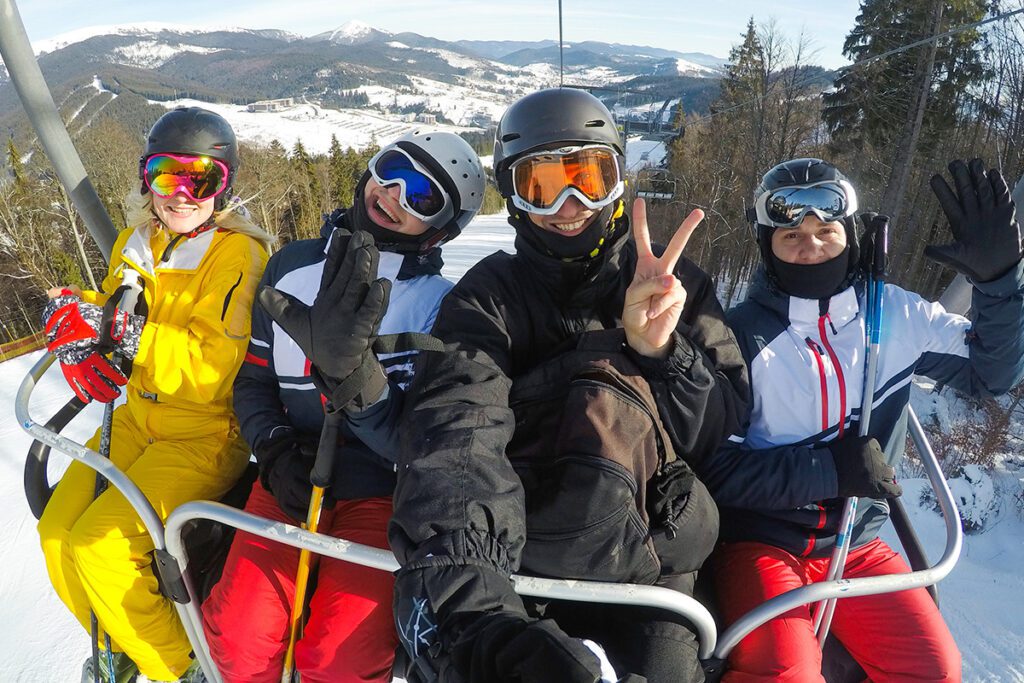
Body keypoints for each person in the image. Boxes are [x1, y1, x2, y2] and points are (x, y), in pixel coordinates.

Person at [387, 88, 748, 683]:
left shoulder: (671, 284)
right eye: (541, 185)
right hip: (523, 559)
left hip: (653, 566)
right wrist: (472, 606)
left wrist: (660, 351)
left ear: (617, 180)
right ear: (513, 197)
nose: (568, 204)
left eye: (587, 176)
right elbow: (457, 434)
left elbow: (717, 432)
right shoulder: (488, 299)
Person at [702, 157, 1024, 681]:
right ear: (767, 245)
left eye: (826, 231)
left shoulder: (897, 315)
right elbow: (715, 472)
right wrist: (827, 470)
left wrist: (999, 285)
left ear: (849, 234)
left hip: (856, 544)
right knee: (785, 672)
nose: (811, 246)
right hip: (763, 541)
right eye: (791, 237)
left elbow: (993, 374)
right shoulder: (736, 340)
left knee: (935, 668)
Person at [201, 129, 485, 683]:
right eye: (391, 170)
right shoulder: (291, 267)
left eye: (422, 197)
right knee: (237, 638)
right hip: (290, 477)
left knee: (340, 660)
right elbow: (254, 382)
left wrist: (357, 384)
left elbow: (420, 439)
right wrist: (273, 446)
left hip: (382, 493)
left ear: (440, 231)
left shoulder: (439, 308)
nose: (394, 195)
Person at [37, 106, 273, 683]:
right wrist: (73, 314)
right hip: (138, 419)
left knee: (101, 546)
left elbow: (210, 367)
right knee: (56, 534)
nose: (184, 194)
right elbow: (121, 308)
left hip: (202, 436)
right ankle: (121, 642)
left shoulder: (237, 256)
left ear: (226, 184)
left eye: (204, 179)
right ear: (148, 179)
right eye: (169, 175)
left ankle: (180, 666)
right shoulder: (137, 240)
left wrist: (124, 334)